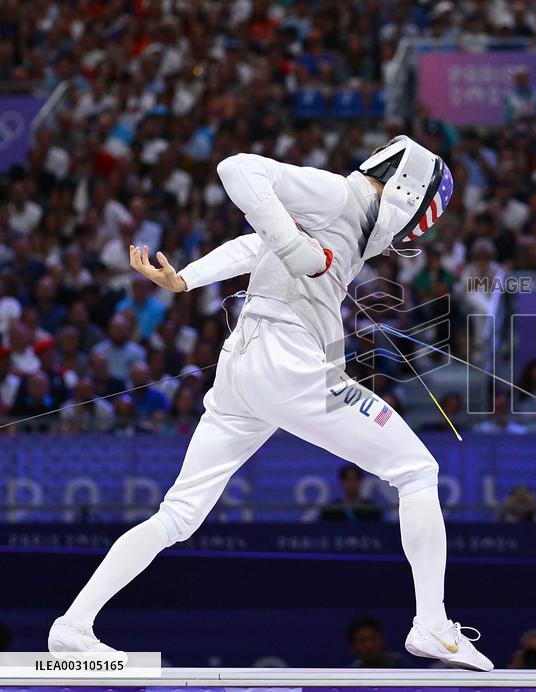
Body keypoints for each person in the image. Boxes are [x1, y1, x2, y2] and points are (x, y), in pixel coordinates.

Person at [47, 136, 493, 671]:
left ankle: (73, 625)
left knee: (179, 515)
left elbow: (254, 244)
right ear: (407, 192)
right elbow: (237, 169)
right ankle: (432, 624)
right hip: (286, 363)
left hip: (244, 366)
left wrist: (186, 278)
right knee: (417, 470)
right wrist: (298, 252)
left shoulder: (351, 221)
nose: (407, 234)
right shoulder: (338, 195)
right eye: (417, 220)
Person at [346, 614, 411, 668]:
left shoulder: (399, 663)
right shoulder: (351, 673)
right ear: (353, 646)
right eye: (362, 641)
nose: (369, 645)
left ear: (381, 639)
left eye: (373, 638)